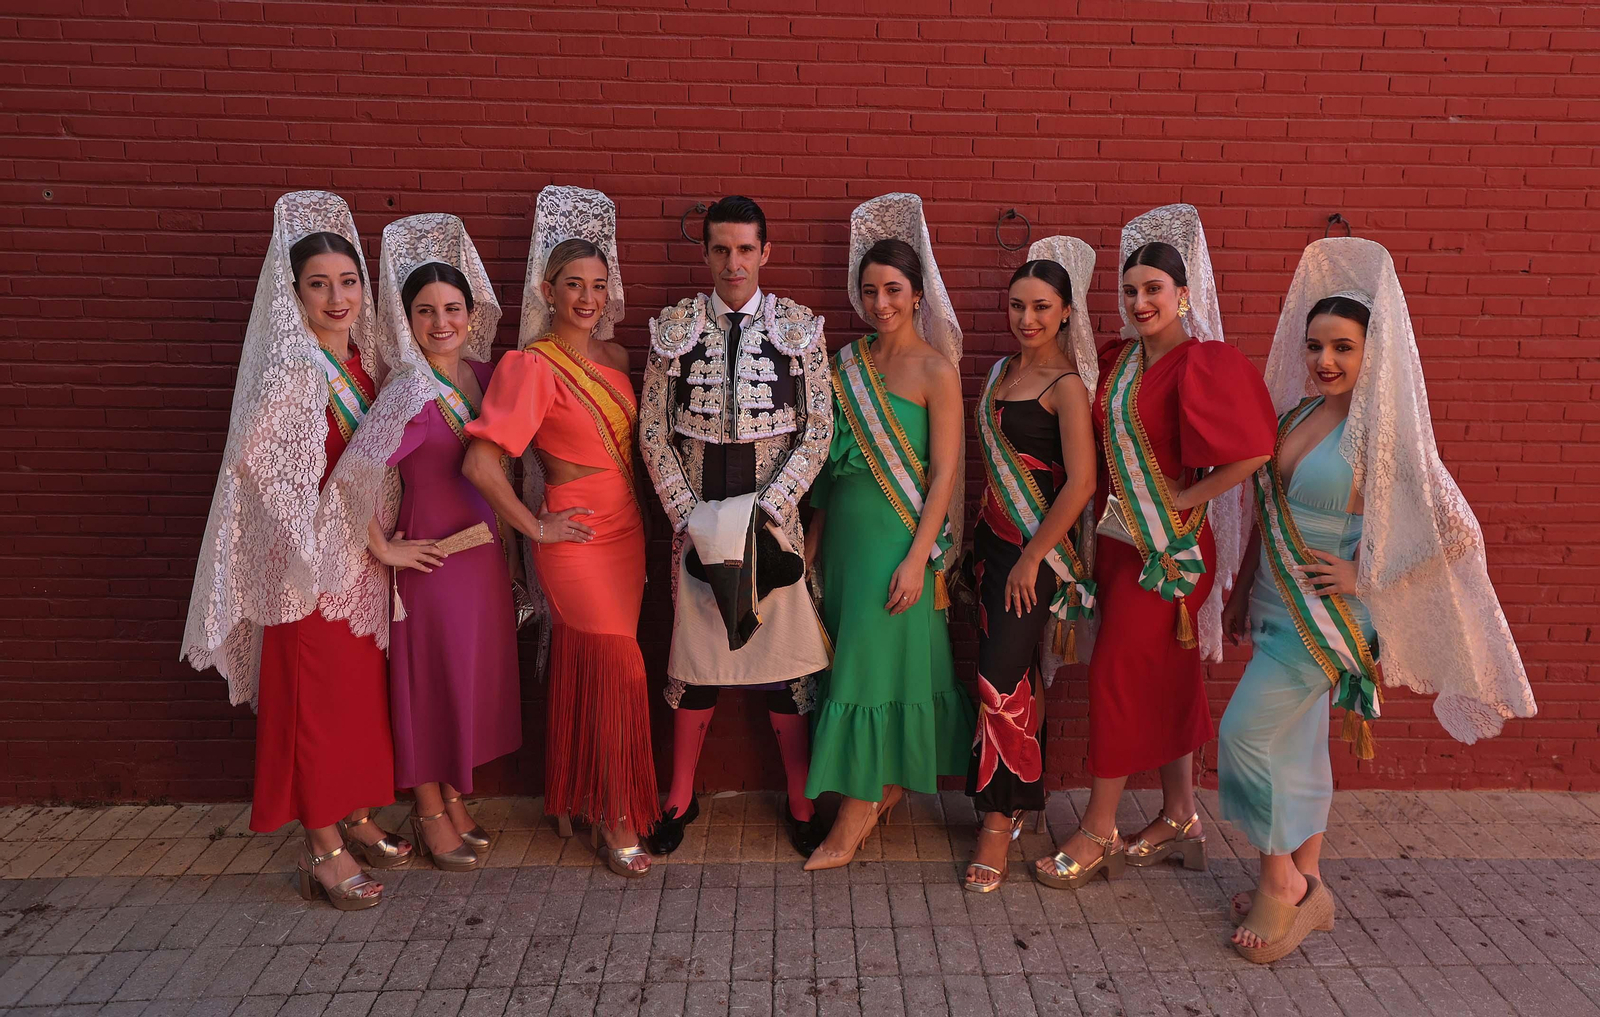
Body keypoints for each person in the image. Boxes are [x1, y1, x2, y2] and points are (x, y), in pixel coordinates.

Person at [1217, 236, 1536, 962]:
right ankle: (1310, 876)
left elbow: (1457, 532)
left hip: (1325, 617)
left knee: (1242, 734)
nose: (1325, 360)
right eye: (1315, 346)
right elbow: (1271, 508)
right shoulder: (1297, 417)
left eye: (1343, 348)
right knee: (1293, 742)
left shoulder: (1381, 437)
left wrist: (1368, 578)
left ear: (1372, 352)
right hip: (1271, 600)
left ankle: (1280, 887)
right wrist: (1239, 585)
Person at [181, 191, 421, 911]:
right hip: (306, 573)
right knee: (314, 708)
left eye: (347, 282)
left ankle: (354, 811)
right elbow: (265, 475)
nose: (338, 296)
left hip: (358, 571)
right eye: (318, 284)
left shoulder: (361, 367)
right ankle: (322, 844)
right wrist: (359, 537)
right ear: (293, 294)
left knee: (354, 702)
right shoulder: (291, 372)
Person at [1033, 204, 1277, 890]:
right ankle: (1180, 815)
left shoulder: (1202, 362)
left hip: (1169, 554)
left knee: (1114, 672)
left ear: (1184, 296)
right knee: (1172, 677)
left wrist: (1186, 499)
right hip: (1117, 545)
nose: (1140, 302)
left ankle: (1100, 825)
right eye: (1131, 291)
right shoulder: (1117, 359)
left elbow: (1255, 449)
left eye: (1154, 291)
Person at [463, 186, 658, 879]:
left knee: (601, 668)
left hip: (626, 535)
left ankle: (579, 795)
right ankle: (617, 815)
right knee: (619, 671)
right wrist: (536, 527)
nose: (586, 297)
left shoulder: (618, 359)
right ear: (548, 290)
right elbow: (483, 464)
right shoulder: (531, 366)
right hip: (572, 542)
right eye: (573, 284)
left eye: (597, 285)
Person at [639, 195, 833, 858]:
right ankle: (679, 794)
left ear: (765, 252)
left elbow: (818, 430)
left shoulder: (800, 327)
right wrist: (687, 515)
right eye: (720, 249)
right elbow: (652, 431)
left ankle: (801, 798)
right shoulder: (675, 328)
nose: (733, 262)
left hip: (773, 526)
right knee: (697, 664)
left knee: (784, 670)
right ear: (706, 254)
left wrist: (773, 508)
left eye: (745, 249)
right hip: (696, 524)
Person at [342, 213, 523, 871]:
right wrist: (384, 548)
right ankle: (425, 807)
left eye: (451, 307)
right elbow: (354, 472)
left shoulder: (483, 373)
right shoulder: (409, 389)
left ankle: (451, 794)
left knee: (463, 681)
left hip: (481, 558)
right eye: (425, 310)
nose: (439, 321)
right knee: (429, 683)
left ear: (472, 313)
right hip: (433, 558)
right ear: (408, 319)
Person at [802, 193, 976, 871]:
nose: (881, 303)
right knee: (856, 664)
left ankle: (851, 818)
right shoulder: (844, 363)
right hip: (844, 543)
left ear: (916, 293)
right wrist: (811, 551)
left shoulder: (937, 368)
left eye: (894, 290)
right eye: (870, 291)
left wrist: (915, 561)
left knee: (868, 672)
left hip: (899, 547)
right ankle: (883, 786)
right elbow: (830, 469)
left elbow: (943, 474)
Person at [963, 238, 1099, 891]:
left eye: (1042, 307)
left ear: (1067, 311)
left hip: (1033, 552)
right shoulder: (999, 374)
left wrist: (1033, 558)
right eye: (1018, 305)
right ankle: (1025, 807)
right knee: (1015, 678)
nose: (1028, 318)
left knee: (997, 681)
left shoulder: (1066, 387)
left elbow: (1079, 484)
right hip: (991, 545)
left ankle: (995, 819)